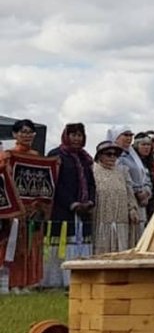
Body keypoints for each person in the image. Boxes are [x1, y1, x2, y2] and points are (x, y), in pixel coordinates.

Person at [43, 123, 96, 287]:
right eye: (73, 135)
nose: (77, 138)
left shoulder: (85, 158)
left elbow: (91, 183)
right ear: (66, 136)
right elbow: (54, 184)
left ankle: (80, 280)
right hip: (62, 209)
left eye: (80, 135)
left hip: (84, 210)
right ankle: (56, 281)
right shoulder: (56, 155)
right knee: (63, 243)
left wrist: (90, 202)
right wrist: (72, 204)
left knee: (81, 243)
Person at [0, 119, 46, 291]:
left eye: (30, 132)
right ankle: (11, 283)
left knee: (30, 246)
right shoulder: (7, 155)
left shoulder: (37, 156)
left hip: (32, 209)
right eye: (23, 132)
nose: (26, 135)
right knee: (12, 246)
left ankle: (27, 282)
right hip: (14, 210)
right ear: (14, 134)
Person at [92, 140, 140, 254]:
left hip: (121, 219)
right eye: (109, 154)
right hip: (101, 220)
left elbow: (129, 192)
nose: (113, 157)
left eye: (115, 155)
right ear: (100, 155)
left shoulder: (122, 172)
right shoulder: (93, 170)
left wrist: (132, 208)